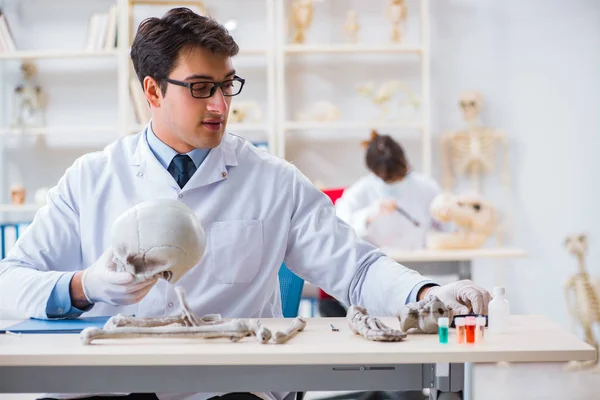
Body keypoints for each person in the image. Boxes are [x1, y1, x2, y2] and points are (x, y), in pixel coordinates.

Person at [0, 8, 490, 400]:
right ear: (152, 90)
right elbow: (9, 282)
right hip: (114, 383)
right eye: (200, 89)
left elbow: (357, 271)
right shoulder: (92, 178)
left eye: (227, 85)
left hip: (228, 387)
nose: (220, 105)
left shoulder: (273, 181)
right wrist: (85, 285)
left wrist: (425, 294)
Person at [319, 131, 446, 318]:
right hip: (377, 274)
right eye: (389, 180)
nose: (395, 183)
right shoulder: (358, 193)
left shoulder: (426, 187)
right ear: (373, 172)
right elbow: (339, 232)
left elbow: (445, 228)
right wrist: (369, 214)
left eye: (399, 177)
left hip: (422, 271)